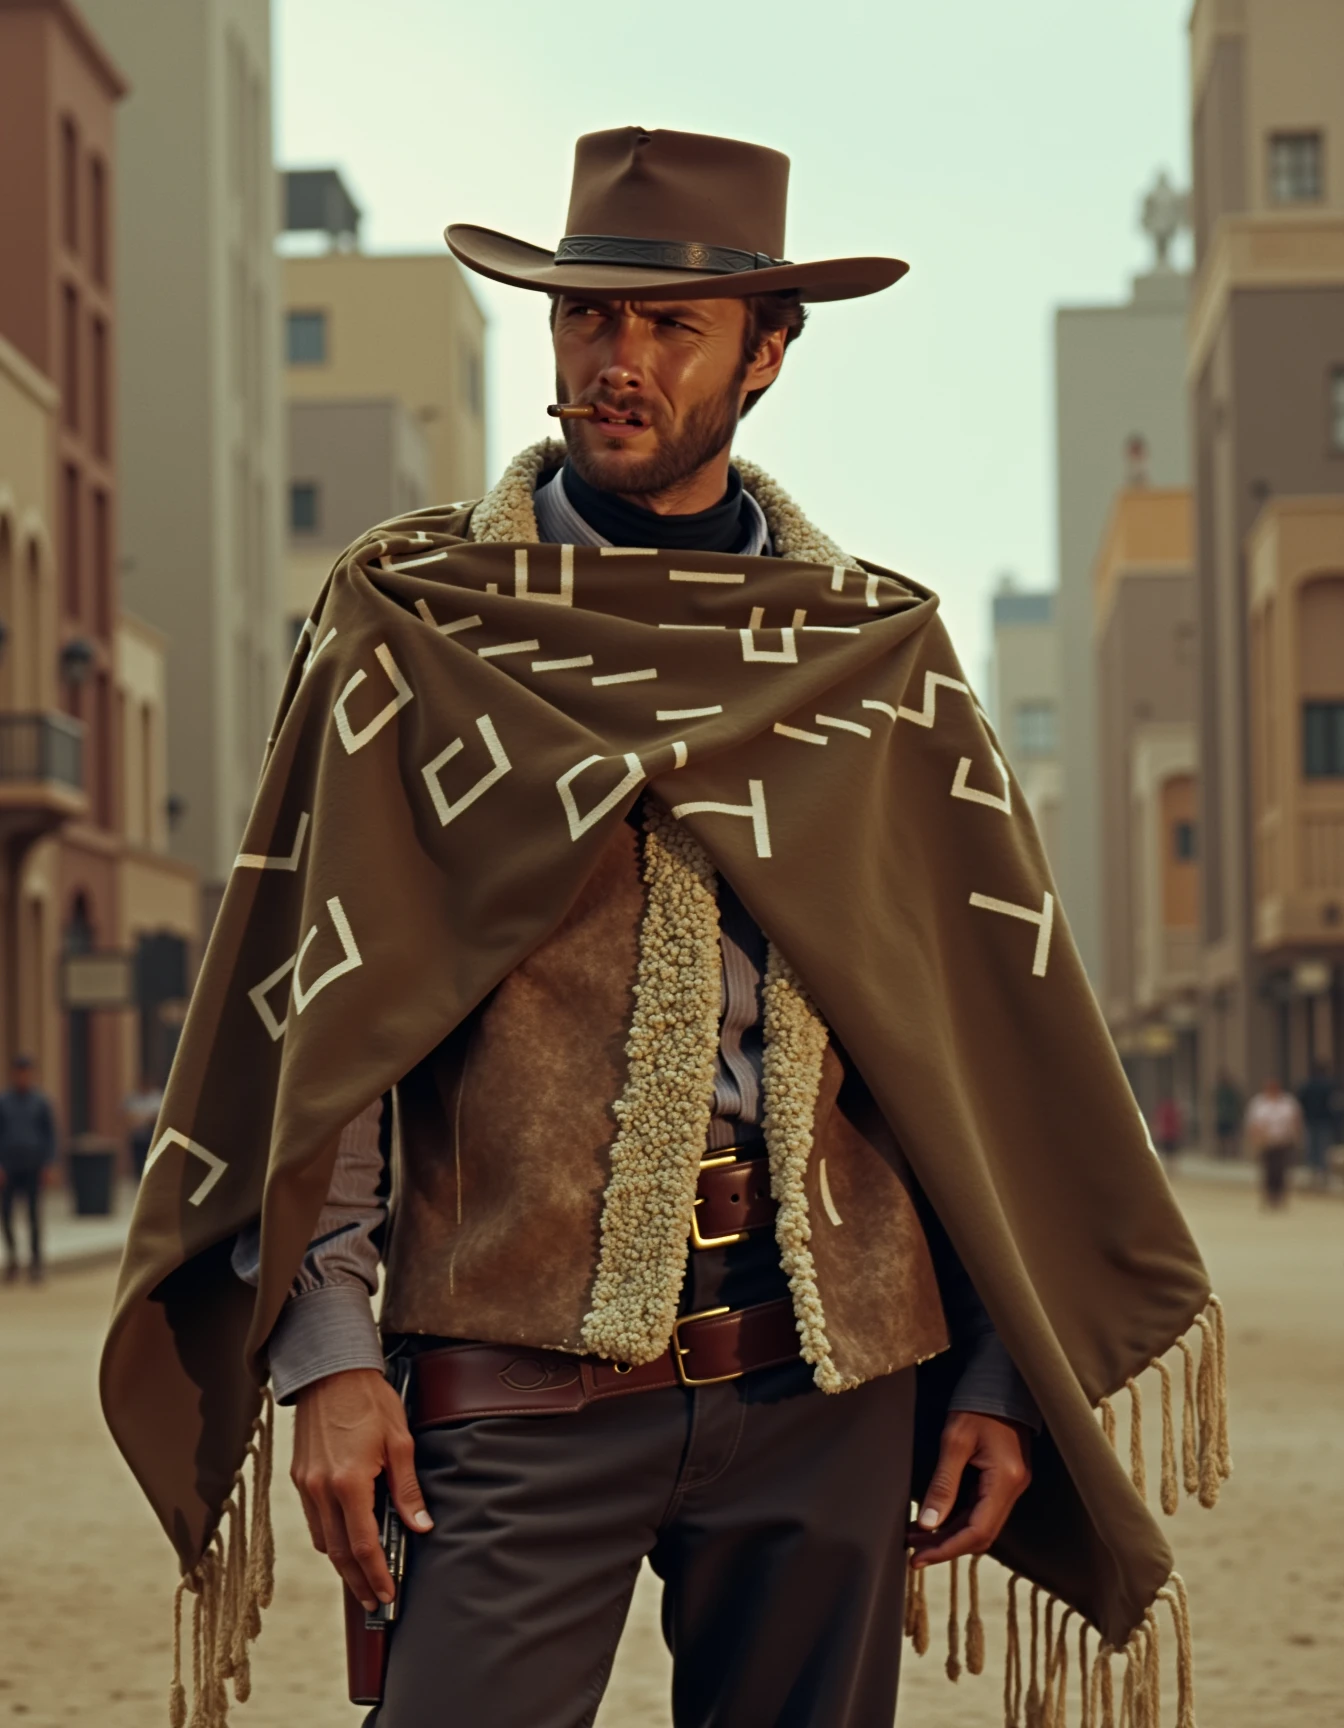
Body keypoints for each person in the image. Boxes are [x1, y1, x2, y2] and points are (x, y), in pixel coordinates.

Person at [103, 129, 1226, 1728]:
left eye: (668, 326)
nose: (614, 362)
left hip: (830, 1387)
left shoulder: (874, 656)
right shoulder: (416, 623)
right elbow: (328, 1011)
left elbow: (974, 1031)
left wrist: (993, 1371)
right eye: (583, 319)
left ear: (767, 352)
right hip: (508, 1382)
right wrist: (330, 1353)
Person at [0, 1055, 56, 1282]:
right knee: (6, 1215)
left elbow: (50, 1135)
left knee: (34, 1216)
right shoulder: (4, 1102)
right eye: (19, 1073)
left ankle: (36, 1264)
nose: (23, 1077)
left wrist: (48, 1164)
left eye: (27, 1073)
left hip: (33, 1165)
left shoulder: (40, 1102)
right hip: (9, 1166)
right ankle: (12, 1258)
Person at [1244, 1076, 1304, 1209]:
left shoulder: (1288, 1102)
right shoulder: (1259, 1103)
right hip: (1266, 1142)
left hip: (1283, 1141)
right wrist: (1256, 1140)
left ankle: (1280, 1196)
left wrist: (1296, 1137)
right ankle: (1269, 1196)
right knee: (1268, 1170)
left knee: (1281, 1170)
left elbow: (1295, 1120)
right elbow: (1253, 1123)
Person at [1296, 1062, 1340, 1189]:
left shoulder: (1307, 1085)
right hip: (1324, 1121)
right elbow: (1334, 1105)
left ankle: (1313, 1172)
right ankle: (1321, 1173)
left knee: (1312, 1146)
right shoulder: (1329, 1086)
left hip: (1311, 1120)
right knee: (1323, 1147)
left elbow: (1300, 1103)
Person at [123, 1076, 163, 1180]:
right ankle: (139, 1180)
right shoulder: (133, 1097)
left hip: (151, 1135)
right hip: (137, 1135)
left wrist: (142, 1118)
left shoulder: (156, 1097)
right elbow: (127, 1115)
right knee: (138, 1160)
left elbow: (157, 1116)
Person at [1213, 1070, 1243, 1159]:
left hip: (1231, 1117)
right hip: (1222, 1117)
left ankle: (1233, 1153)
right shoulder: (1219, 1091)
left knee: (1232, 1136)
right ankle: (1222, 1153)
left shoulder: (1231, 1091)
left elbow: (1237, 1103)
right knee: (1222, 1136)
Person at [1153, 1094, 1182, 1160]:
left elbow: (1159, 1122)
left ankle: (1168, 1166)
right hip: (1170, 1134)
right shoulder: (1172, 1109)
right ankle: (1170, 1166)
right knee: (1171, 1154)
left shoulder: (1163, 1109)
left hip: (1167, 1134)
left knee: (1168, 1153)